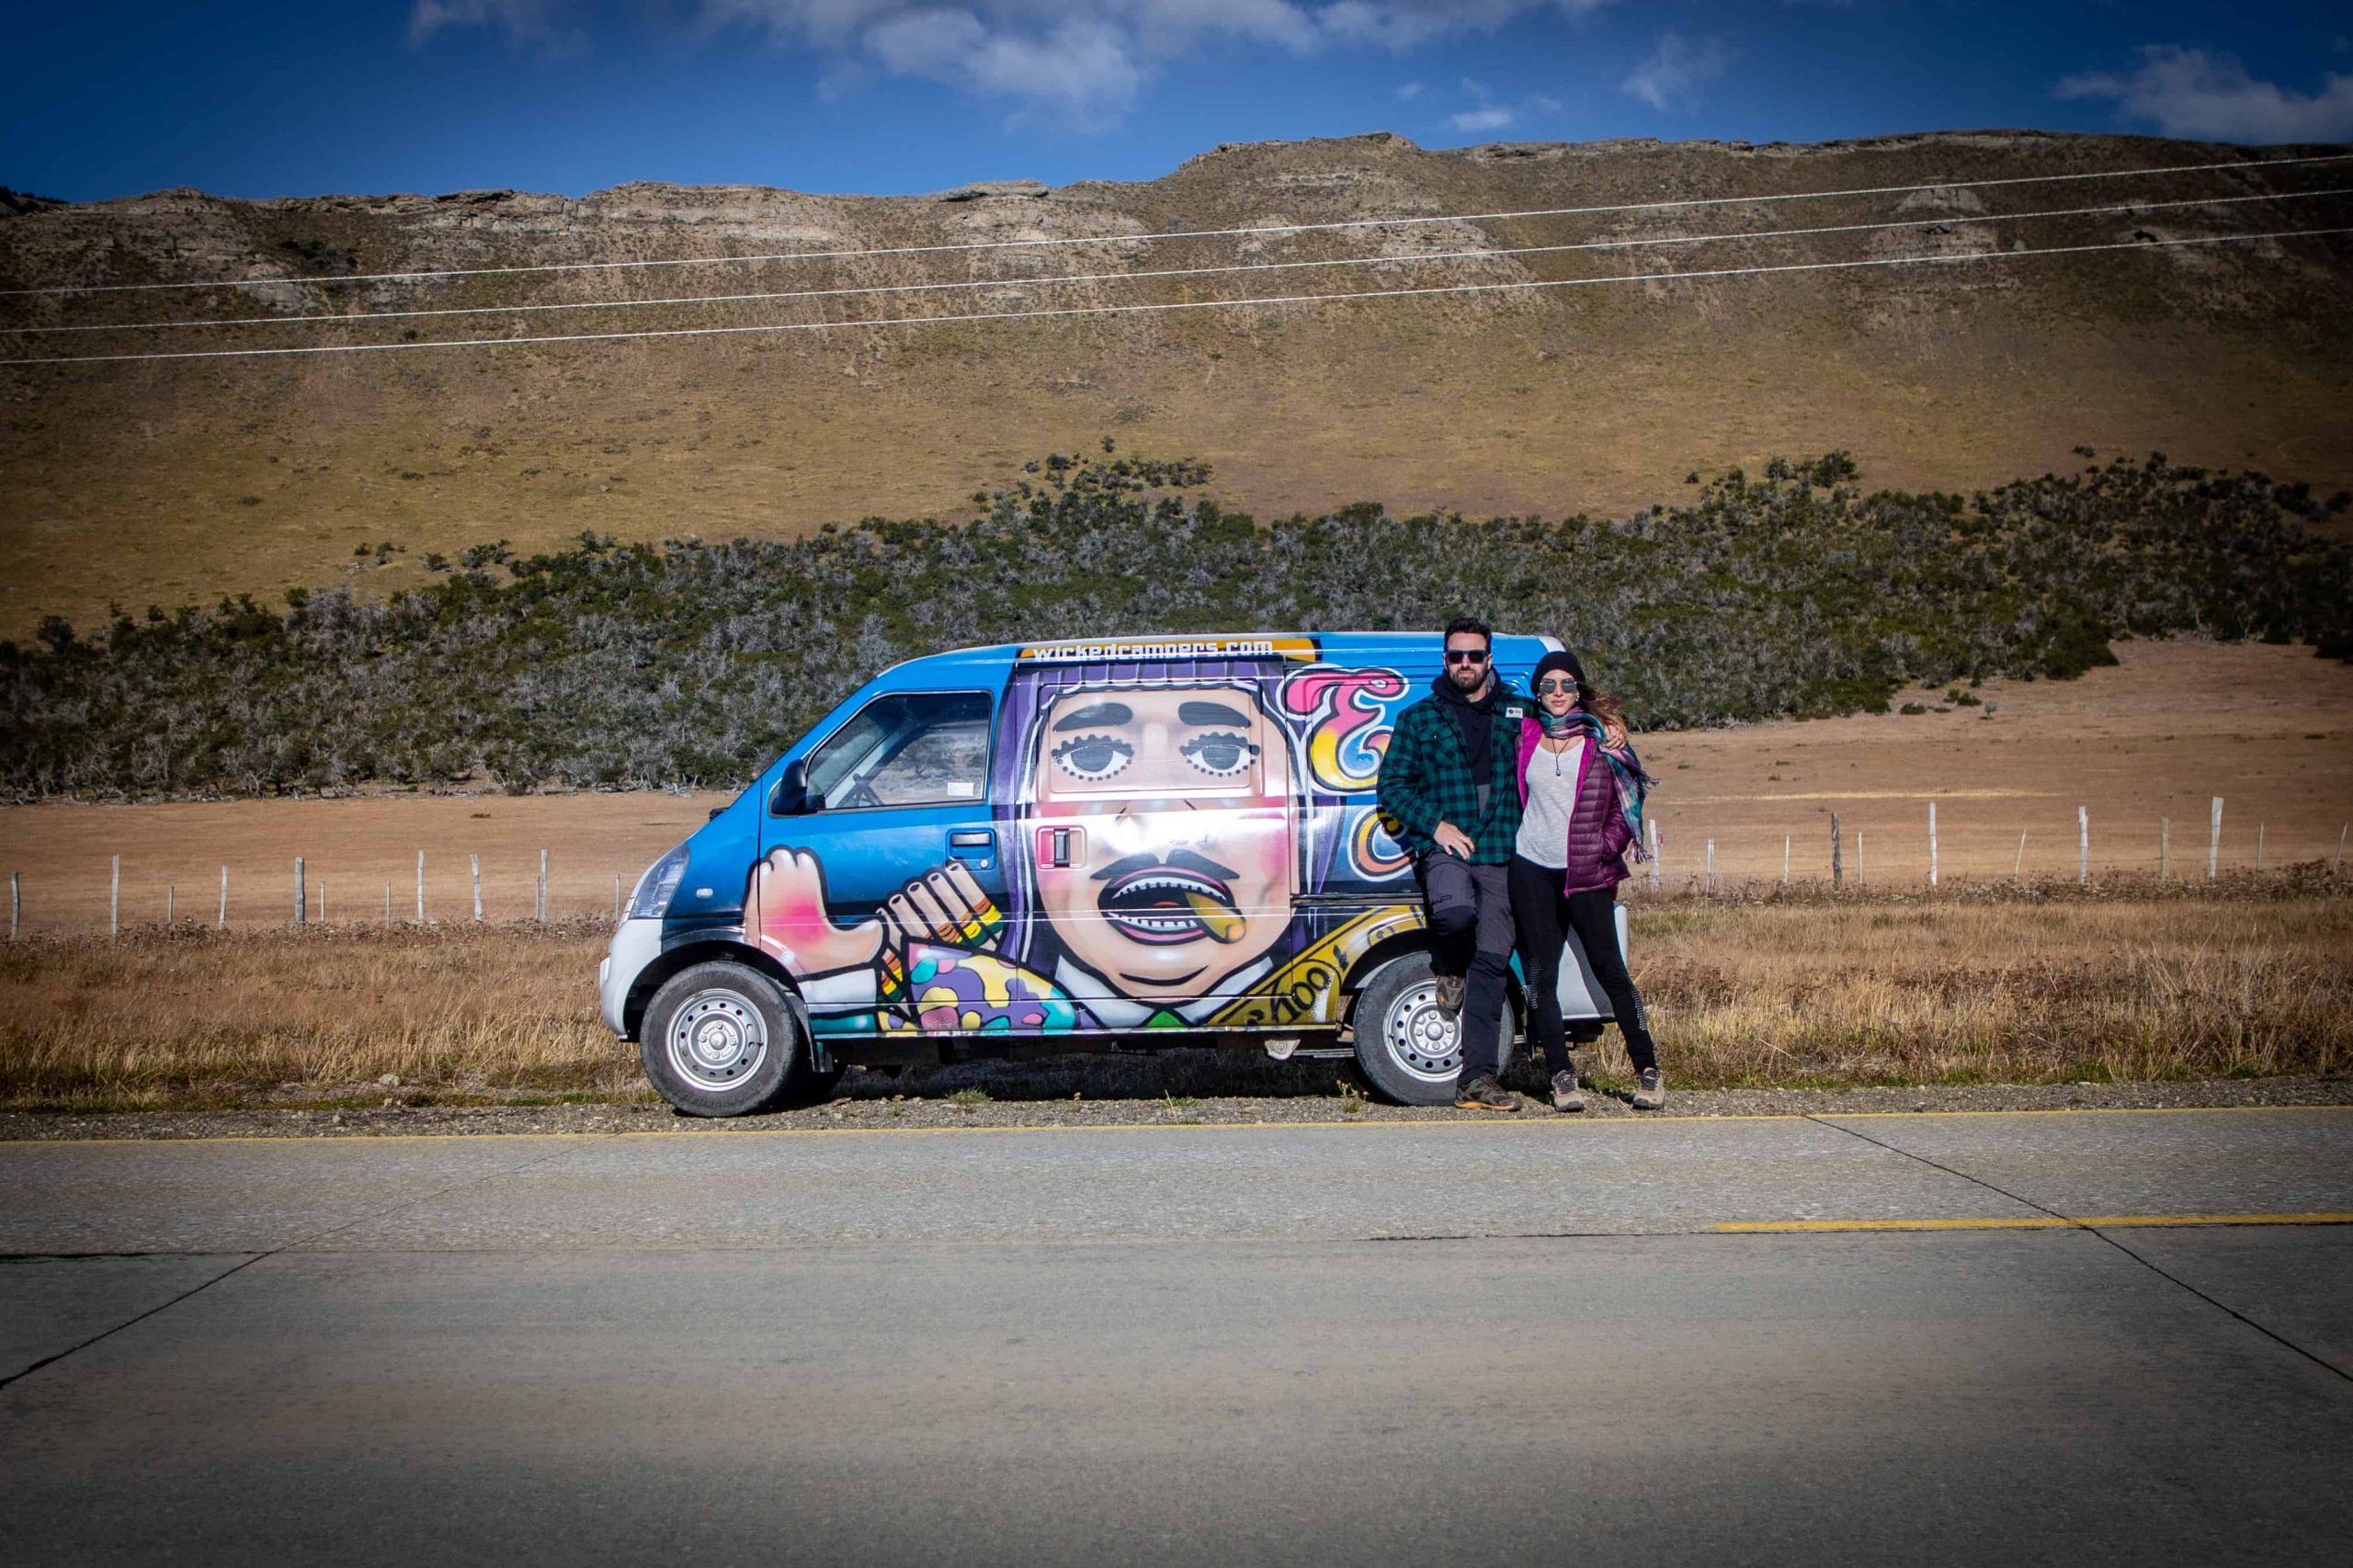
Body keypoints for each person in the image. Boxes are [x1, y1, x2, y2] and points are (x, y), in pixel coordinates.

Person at [1376, 616, 1529, 1110]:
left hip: (1504, 850)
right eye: (1457, 656)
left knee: (1492, 962)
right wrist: (1436, 826)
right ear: (1445, 660)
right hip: (1446, 847)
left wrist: (1609, 729)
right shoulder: (1418, 719)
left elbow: (1570, 732)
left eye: (1475, 655)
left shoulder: (1520, 712)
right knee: (1454, 913)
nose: (1466, 664)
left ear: (1489, 660)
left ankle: (1476, 1080)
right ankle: (1447, 966)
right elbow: (1392, 787)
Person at [1507, 649, 1665, 1111]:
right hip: (1531, 867)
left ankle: (1648, 1070)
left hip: (1587, 871)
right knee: (1540, 976)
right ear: (1538, 692)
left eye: (1567, 685)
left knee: (1611, 971)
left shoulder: (1604, 742)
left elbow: (1626, 802)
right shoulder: (1524, 734)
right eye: (1549, 685)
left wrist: (1603, 846)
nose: (1557, 693)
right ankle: (1561, 1076)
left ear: (1579, 690)